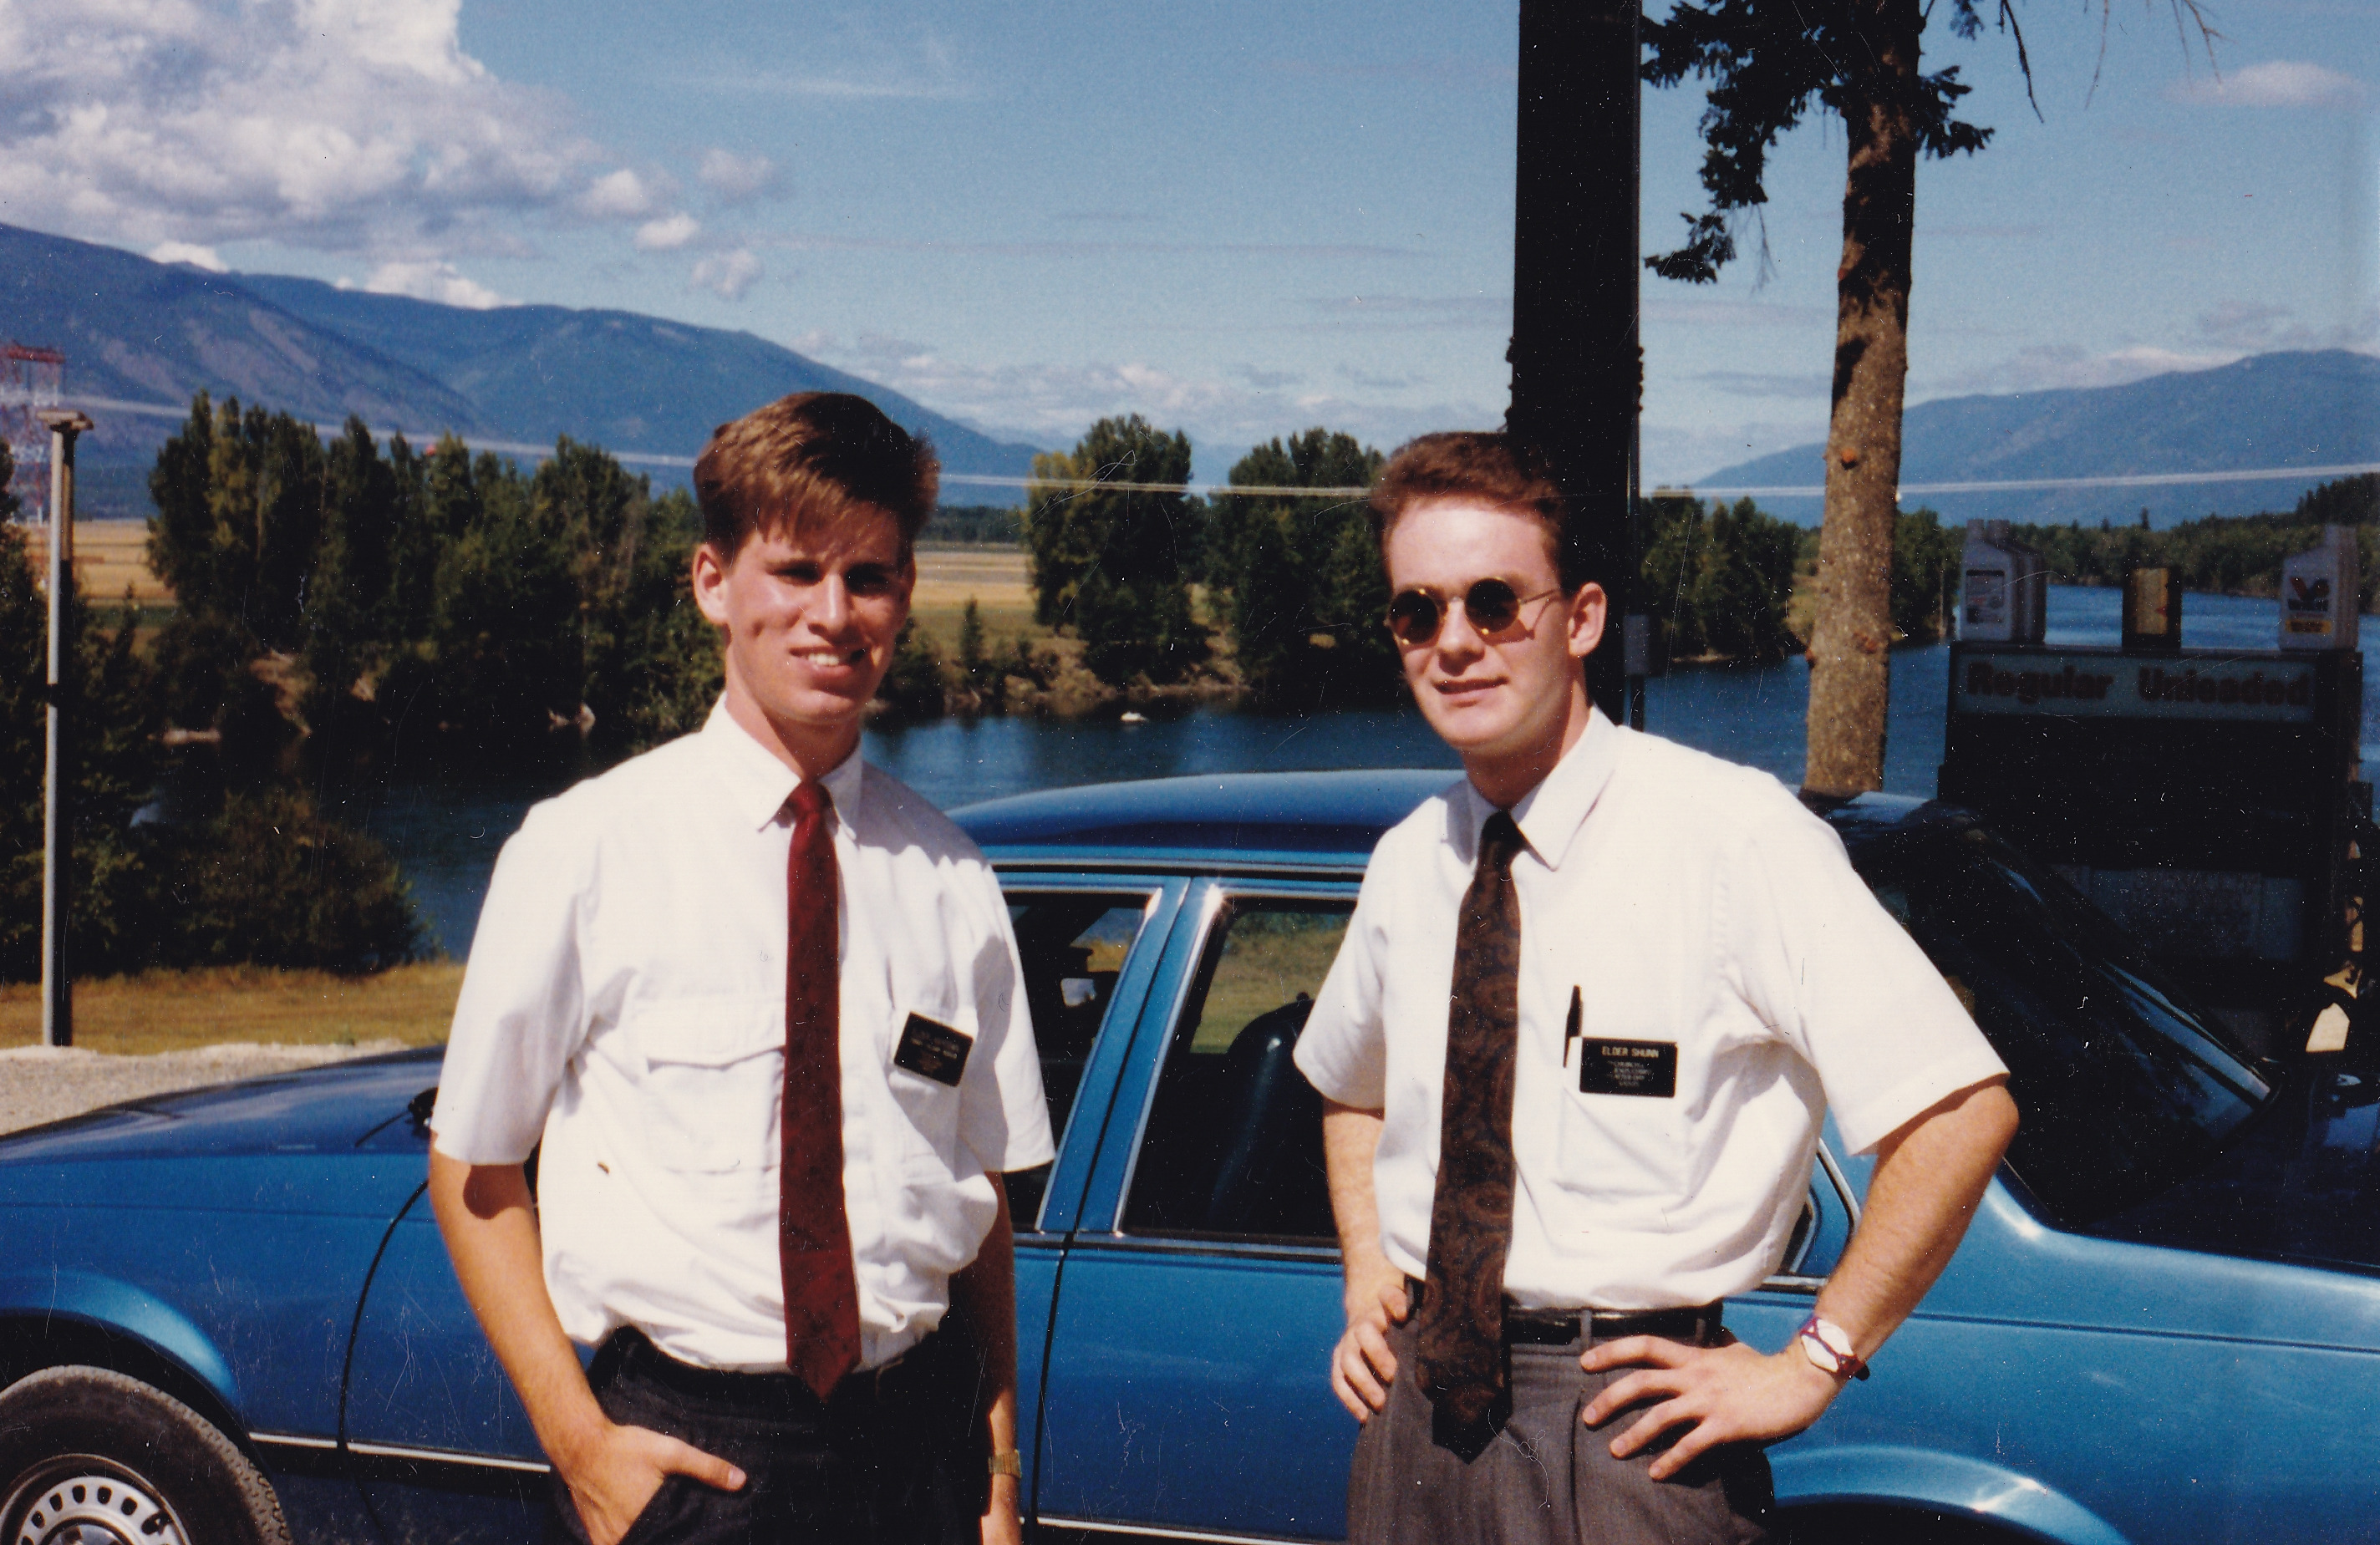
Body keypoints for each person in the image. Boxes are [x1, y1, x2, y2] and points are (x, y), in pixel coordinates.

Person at [1292, 431, 2019, 1544]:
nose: (1454, 642)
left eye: (1494, 603)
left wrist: (1815, 1359)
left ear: (1580, 618)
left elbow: (1961, 1108)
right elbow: (1350, 1086)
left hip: (1620, 1435)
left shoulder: (1731, 839)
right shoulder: (1410, 860)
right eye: (1417, 610)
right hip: (1416, 1427)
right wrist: (1363, 1279)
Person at [428, 392, 1052, 1545]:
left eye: (869, 576)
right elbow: (474, 1172)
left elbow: (983, 1211)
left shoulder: (951, 876)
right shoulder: (586, 849)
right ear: (714, 582)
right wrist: (582, 1448)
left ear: (906, 594)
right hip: (697, 1457)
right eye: (796, 569)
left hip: (921, 1454)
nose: (833, 613)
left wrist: (999, 1471)